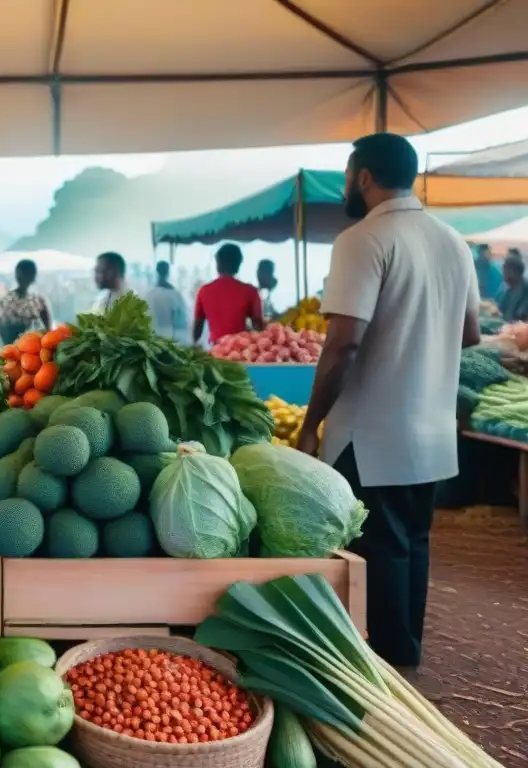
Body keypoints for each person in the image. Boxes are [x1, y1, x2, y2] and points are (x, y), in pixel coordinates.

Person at [297, 132, 480, 669]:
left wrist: (311, 424)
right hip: (432, 430)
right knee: (411, 546)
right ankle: (405, 655)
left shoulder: (362, 239)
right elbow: (469, 332)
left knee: (376, 551)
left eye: (350, 175)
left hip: (371, 431)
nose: (347, 186)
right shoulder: (452, 240)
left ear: (365, 177)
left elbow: (344, 343)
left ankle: (387, 667)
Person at [192, 243, 263, 344]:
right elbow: (259, 327)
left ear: (218, 263)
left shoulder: (204, 291)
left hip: (216, 351)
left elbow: (197, 332)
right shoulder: (250, 291)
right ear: (238, 264)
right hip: (241, 351)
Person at [0, 260, 51, 344]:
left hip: (30, 350)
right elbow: (2, 330)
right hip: (21, 350)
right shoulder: (6, 301)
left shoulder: (38, 300)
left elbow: (48, 329)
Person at [145, 261, 188, 342]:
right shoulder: (175, 295)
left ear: (156, 272)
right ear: (168, 272)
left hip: (153, 341)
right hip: (172, 339)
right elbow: (181, 322)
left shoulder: (150, 294)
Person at [497, 254, 528, 321]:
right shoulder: (507, 292)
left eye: (506, 270)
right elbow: (501, 311)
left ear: (516, 272)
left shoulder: (525, 291)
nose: (503, 273)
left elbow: (522, 316)